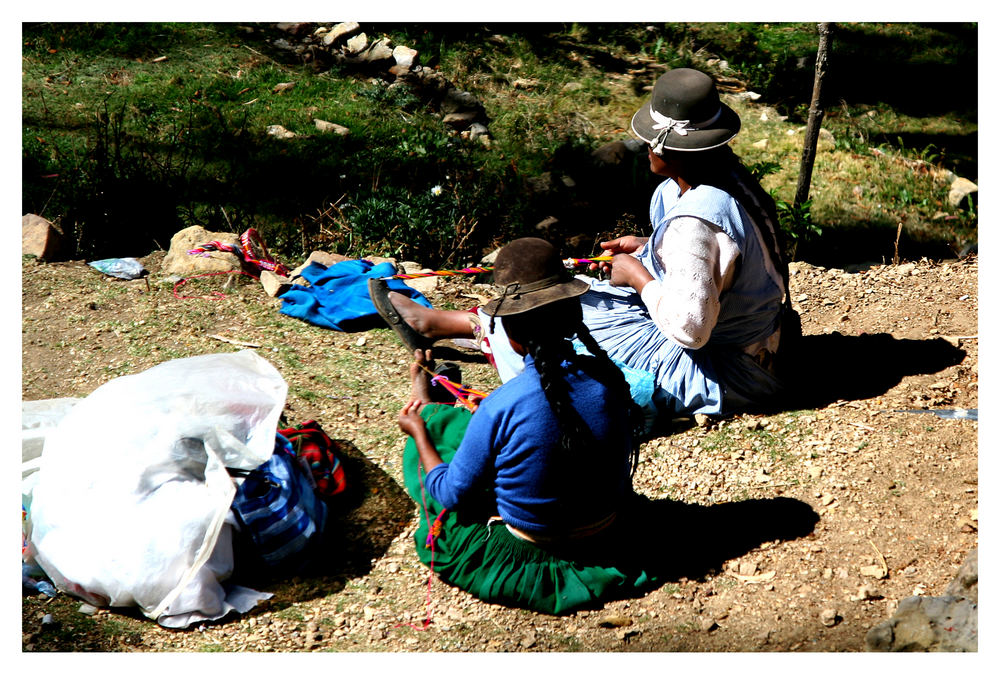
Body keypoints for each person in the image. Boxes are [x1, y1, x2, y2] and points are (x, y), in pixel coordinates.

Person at [371, 67, 795, 423]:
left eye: (654, 138)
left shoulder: (696, 217)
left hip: (729, 366)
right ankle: (459, 324)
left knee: (551, 325)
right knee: (573, 297)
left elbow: (691, 330)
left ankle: (472, 336)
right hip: (758, 339)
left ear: (677, 146)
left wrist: (639, 274)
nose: (647, 144)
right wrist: (649, 247)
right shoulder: (727, 181)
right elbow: (729, 252)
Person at [395, 238, 659, 615]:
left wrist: (418, 431)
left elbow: (451, 496)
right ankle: (435, 408)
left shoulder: (504, 405)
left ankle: (429, 409)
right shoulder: (609, 380)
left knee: (442, 427)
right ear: (573, 316)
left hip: (537, 548)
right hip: (610, 534)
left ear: (512, 336)